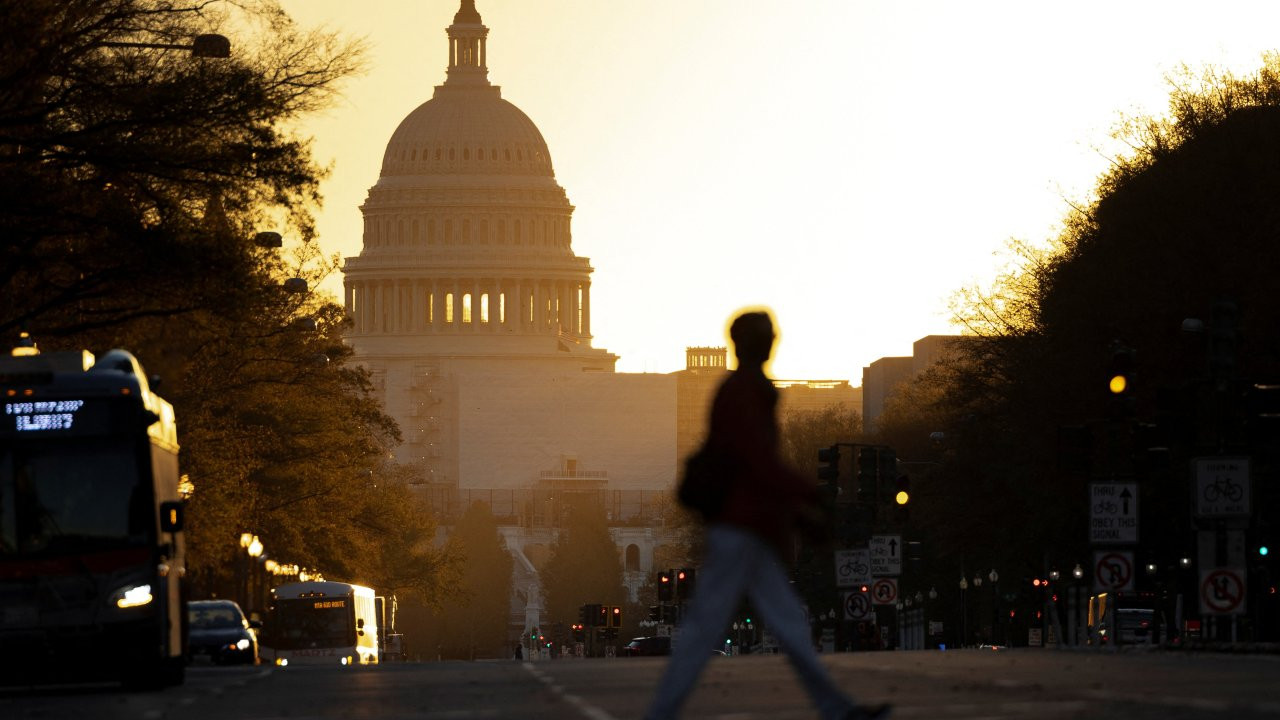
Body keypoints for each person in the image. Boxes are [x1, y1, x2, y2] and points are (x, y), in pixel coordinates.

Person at [644, 311, 889, 720]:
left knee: (788, 622)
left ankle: (836, 708)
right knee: (708, 627)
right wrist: (810, 497)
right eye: (766, 335)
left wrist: (795, 512)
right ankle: (661, 713)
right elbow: (758, 463)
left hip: (748, 528)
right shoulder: (745, 391)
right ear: (748, 343)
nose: (773, 341)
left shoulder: (742, 390)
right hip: (739, 528)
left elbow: (758, 468)